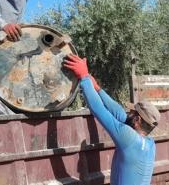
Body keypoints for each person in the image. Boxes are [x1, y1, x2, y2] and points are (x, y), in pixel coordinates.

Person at [63, 54, 160, 185]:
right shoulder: (150, 143)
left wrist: (84, 78)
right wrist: (98, 89)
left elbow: (99, 110)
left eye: (131, 113)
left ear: (137, 120)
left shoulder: (128, 138)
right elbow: (119, 114)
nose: (127, 114)